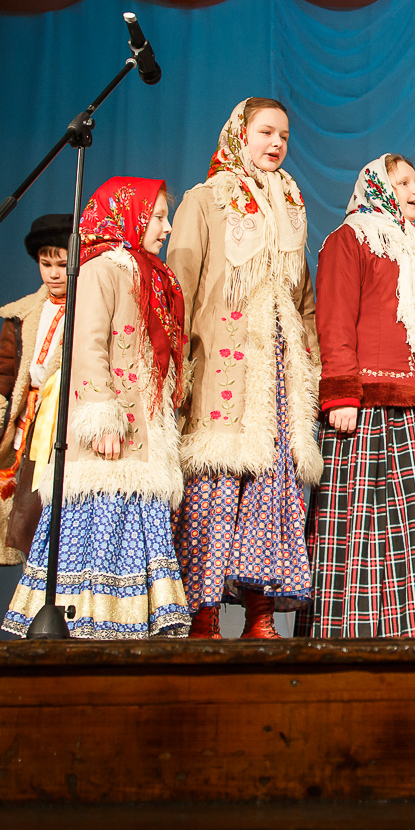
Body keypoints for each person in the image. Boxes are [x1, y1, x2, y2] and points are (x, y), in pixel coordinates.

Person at [0, 177, 191, 639]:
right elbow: (86, 346)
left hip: (142, 435)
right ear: (130, 215)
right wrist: (102, 418)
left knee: (136, 516)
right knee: (100, 518)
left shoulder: (149, 275)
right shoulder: (101, 270)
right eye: (158, 217)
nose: (166, 227)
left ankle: (131, 623)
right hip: (111, 434)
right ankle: (89, 621)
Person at [168, 99, 321, 640]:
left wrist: (309, 364)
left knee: (268, 494)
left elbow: (303, 301)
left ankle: (261, 614)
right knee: (214, 487)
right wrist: (175, 366)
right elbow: (178, 287)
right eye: (265, 132)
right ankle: (203, 615)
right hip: (221, 363)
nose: (276, 144)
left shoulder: (291, 206)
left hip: (276, 376)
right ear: (239, 133)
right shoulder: (206, 200)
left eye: (284, 136)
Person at [311, 154, 415, 638]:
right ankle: (355, 634)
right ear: (377, 187)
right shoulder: (350, 238)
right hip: (369, 406)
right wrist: (341, 393)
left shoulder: (413, 246)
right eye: (403, 183)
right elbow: (334, 319)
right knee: (365, 525)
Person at [0, 213, 71, 566]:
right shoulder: (21, 314)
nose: (54, 273)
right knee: (26, 508)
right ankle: (34, 584)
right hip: (31, 423)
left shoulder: (90, 309)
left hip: (66, 422)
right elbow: (5, 370)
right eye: (46, 264)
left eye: (62, 264)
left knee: (60, 509)